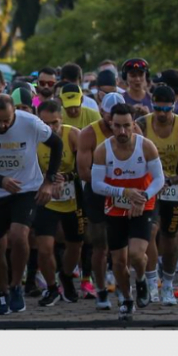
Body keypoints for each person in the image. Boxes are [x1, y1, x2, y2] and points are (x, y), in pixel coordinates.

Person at [0, 94, 64, 315]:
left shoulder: (30, 122)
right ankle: (3, 292)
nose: (2, 125)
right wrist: (0, 180)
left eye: (6, 121)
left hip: (26, 188)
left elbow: (57, 144)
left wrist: (48, 182)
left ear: (14, 115)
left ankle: (16, 285)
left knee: (20, 236)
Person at [91, 103, 166, 321]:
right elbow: (96, 184)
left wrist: (142, 197)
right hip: (116, 207)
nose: (122, 132)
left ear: (134, 125)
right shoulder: (102, 150)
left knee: (136, 254)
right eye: (117, 126)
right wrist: (124, 192)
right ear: (110, 125)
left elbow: (159, 179)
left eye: (127, 126)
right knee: (118, 261)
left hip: (143, 203)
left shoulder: (146, 146)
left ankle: (141, 279)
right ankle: (126, 298)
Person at [137, 85, 178, 305]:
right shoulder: (143, 124)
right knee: (150, 231)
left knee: (170, 236)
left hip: (172, 186)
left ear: (173, 107)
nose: (162, 114)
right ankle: (152, 281)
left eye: (166, 110)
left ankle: (167, 285)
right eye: (157, 109)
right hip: (148, 186)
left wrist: (172, 180)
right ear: (152, 105)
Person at [76, 92, 138, 309]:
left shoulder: (133, 130)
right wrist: (109, 186)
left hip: (124, 191)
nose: (117, 126)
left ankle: (123, 290)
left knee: (122, 248)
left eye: (121, 121)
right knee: (100, 245)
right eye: (111, 119)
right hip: (98, 191)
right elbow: (83, 171)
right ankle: (101, 289)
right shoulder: (89, 134)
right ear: (102, 113)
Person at [31, 99, 84, 307]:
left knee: (75, 246)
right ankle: (52, 288)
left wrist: (65, 177)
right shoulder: (34, 138)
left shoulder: (73, 135)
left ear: (62, 119)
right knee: (44, 248)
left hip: (72, 199)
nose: (51, 129)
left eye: (55, 123)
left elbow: (85, 168)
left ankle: (66, 275)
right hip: (46, 199)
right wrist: (48, 180)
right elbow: (29, 170)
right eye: (46, 124)